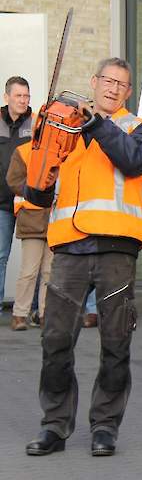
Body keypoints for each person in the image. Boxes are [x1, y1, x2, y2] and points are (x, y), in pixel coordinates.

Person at [24, 58, 142, 457]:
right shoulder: (65, 128)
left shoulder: (140, 129)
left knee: (116, 342)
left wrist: (95, 124)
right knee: (55, 341)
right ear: (93, 81)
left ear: (128, 91)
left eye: (122, 83)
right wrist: (42, 152)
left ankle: (105, 426)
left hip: (117, 247)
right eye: (107, 80)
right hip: (68, 246)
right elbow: (38, 193)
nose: (113, 88)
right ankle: (54, 425)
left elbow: (134, 160)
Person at [6, 141, 52, 331]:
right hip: (32, 220)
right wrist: (39, 191)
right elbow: (13, 181)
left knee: (50, 273)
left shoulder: (63, 152)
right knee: (29, 272)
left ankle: (45, 315)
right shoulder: (24, 151)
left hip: (55, 220)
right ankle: (19, 314)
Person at [1, 76, 33, 317]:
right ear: (6, 97)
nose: (23, 100)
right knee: (0, 255)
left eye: (26, 96)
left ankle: (32, 309)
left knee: (32, 260)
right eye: (18, 96)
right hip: (1, 203)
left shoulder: (35, 124)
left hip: (28, 202)